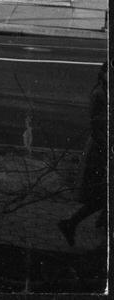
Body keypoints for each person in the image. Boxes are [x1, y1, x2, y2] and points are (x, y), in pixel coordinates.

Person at [59, 61, 107, 245]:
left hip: (104, 145)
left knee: (104, 191)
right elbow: (96, 126)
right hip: (100, 148)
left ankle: (99, 221)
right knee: (103, 191)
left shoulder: (105, 91)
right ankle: (73, 223)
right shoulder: (99, 94)